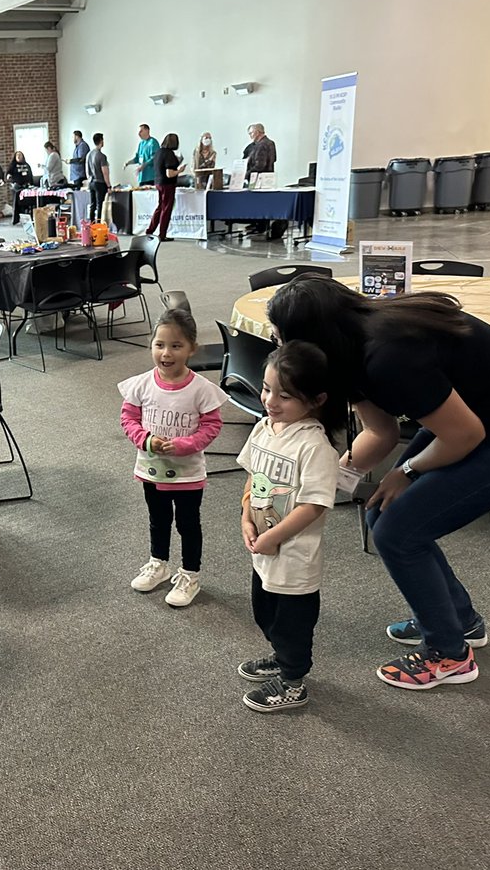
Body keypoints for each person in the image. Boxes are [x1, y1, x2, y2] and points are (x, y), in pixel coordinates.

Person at [267, 275, 490, 691]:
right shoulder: (348, 352)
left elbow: (463, 436)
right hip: (480, 415)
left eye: (280, 335)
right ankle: (460, 622)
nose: (278, 345)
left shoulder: (390, 356)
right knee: (384, 513)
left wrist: (408, 471)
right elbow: (378, 433)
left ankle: (449, 655)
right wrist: (325, 485)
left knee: (399, 534)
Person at [236, 342, 343, 713]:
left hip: (294, 556)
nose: (271, 401)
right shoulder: (265, 428)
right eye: (267, 389)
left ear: (316, 400)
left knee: (292, 624)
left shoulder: (315, 446)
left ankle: (293, 680)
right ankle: (280, 657)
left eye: (285, 395)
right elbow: (253, 477)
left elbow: (313, 505)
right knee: (264, 610)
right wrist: (246, 517)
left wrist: (273, 537)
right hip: (264, 547)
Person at [118, 309, 227, 608]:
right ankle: (159, 563)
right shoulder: (140, 384)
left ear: (192, 348)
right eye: (160, 344)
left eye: (176, 346)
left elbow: (212, 426)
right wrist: (146, 440)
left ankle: (190, 574)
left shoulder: (202, 390)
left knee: (188, 524)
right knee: (158, 519)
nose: (166, 353)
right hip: (151, 469)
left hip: (188, 474)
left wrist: (184, 445)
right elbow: (129, 419)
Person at [145, 133, 185, 242]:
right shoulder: (169, 154)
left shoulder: (159, 152)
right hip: (167, 184)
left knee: (159, 207)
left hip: (158, 182)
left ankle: (150, 230)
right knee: (166, 209)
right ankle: (162, 234)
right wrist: (180, 171)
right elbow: (169, 173)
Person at [86, 133, 111, 222]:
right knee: (100, 204)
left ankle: (91, 223)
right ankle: (98, 223)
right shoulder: (102, 156)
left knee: (93, 204)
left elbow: (87, 171)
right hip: (100, 182)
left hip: (91, 182)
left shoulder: (89, 154)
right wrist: (108, 185)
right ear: (101, 141)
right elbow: (105, 172)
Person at [7, 150, 34, 224]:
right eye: (17, 156)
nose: (19, 157)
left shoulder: (27, 165)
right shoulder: (13, 165)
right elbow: (8, 173)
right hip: (17, 186)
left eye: (20, 155)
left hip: (26, 186)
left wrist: (31, 183)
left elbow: (30, 175)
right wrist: (9, 176)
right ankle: (16, 218)